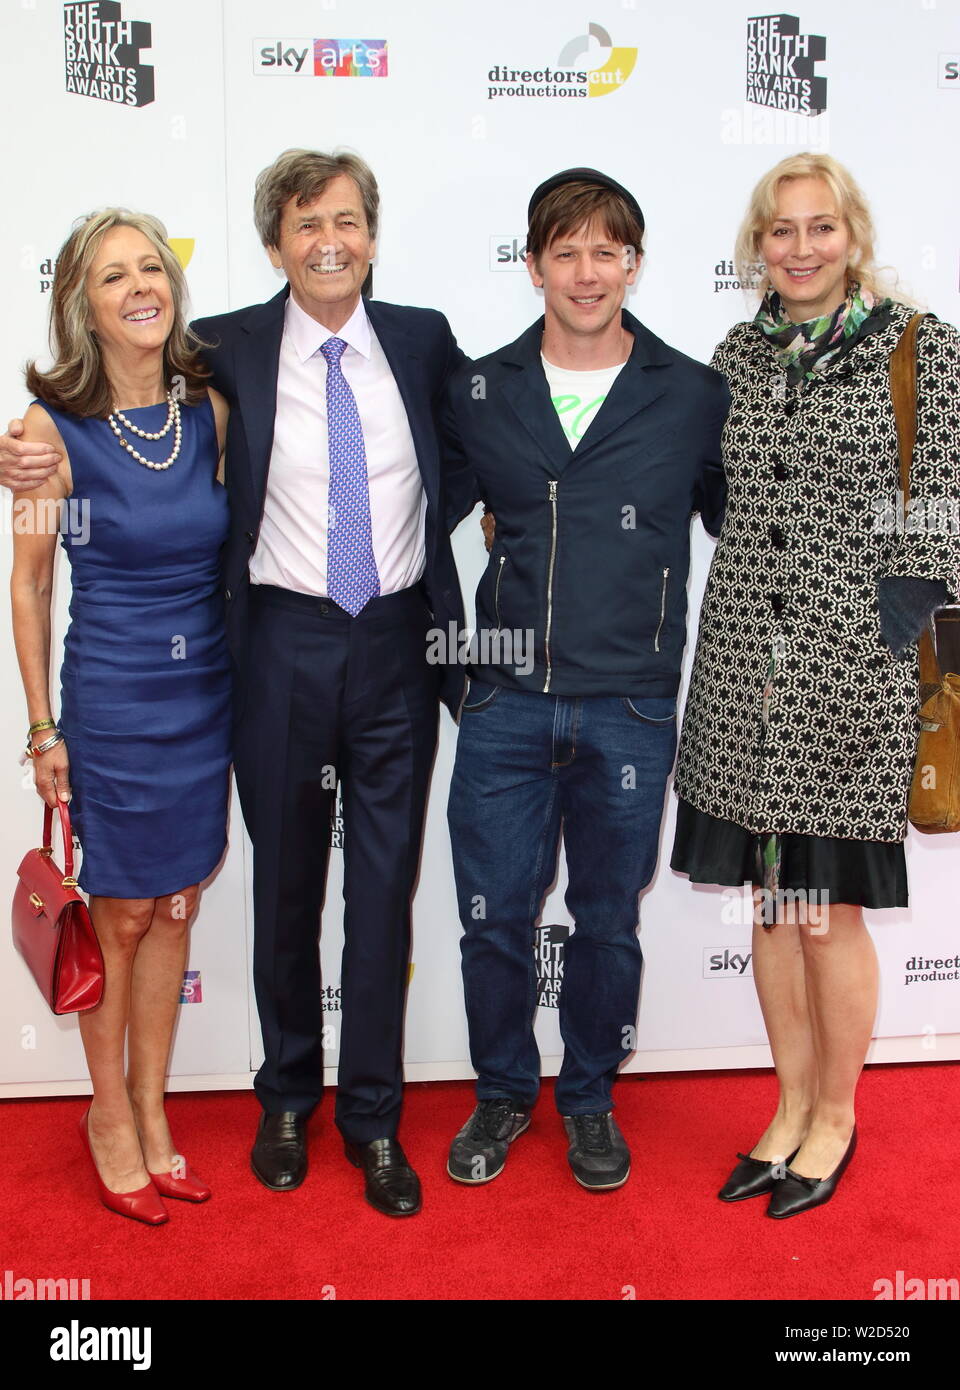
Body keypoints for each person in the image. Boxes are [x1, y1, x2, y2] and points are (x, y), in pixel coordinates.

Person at [2, 151, 466, 1219]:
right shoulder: (228, 360)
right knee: (273, 893)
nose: (330, 239)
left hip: (386, 647)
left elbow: (479, 446)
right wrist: (15, 462)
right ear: (274, 247)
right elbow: (45, 540)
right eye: (308, 224)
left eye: (348, 219)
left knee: (366, 895)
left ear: (372, 234)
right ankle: (280, 1100)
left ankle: (375, 1119)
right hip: (256, 660)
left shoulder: (410, 345)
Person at [671, 153, 960, 1217]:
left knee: (828, 912)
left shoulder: (918, 349)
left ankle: (835, 1118)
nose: (799, 248)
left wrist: (882, 657)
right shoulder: (733, 358)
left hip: (854, 676)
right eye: (780, 230)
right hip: (746, 667)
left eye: (819, 228)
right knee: (773, 905)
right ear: (758, 245)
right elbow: (714, 498)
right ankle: (787, 1106)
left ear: (854, 236)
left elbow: (936, 514)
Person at [442, 169, 729, 1190]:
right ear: (532, 266)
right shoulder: (480, 389)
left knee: (608, 919)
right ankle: (502, 1092)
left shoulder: (693, 393)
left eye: (607, 250)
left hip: (632, 704)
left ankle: (592, 1100)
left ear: (636, 265)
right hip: (506, 701)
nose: (586, 270)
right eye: (564, 250)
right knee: (493, 917)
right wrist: (457, 665)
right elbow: (411, 520)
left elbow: (740, 530)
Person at [10, 209, 231, 1224]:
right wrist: (43, 728)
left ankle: (153, 1107)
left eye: (153, 267)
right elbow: (30, 585)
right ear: (83, 306)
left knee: (176, 903)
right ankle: (108, 1115)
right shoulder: (49, 432)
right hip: (113, 699)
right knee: (123, 913)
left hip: (204, 696)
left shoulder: (212, 415)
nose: (142, 286)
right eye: (114, 276)